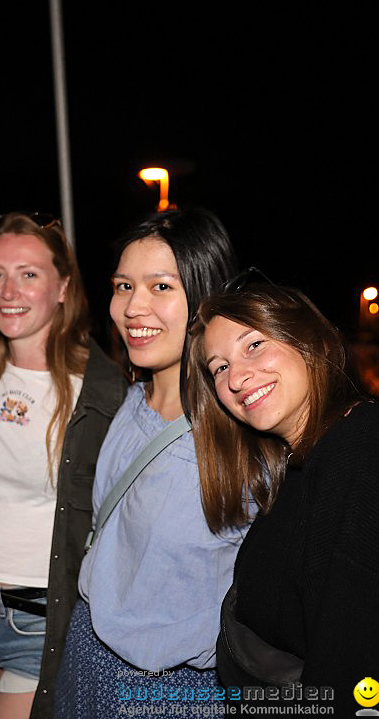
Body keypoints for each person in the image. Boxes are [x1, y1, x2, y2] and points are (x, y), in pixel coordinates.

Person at [185, 276, 379, 713]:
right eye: (219, 367)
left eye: (254, 345)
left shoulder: (370, 458)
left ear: (310, 339)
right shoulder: (308, 457)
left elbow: (364, 682)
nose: (236, 377)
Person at [0, 213, 126, 719]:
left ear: (63, 286)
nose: (8, 290)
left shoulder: (101, 395)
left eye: (28, 274)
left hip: (38, 623)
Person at [54, 208, 248, 717]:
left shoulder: (239, 440)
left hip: (171, 690)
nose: (133, 307)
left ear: (205, 297)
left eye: (161, 287)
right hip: (87, 653)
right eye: (123, 286)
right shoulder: (133, 400)